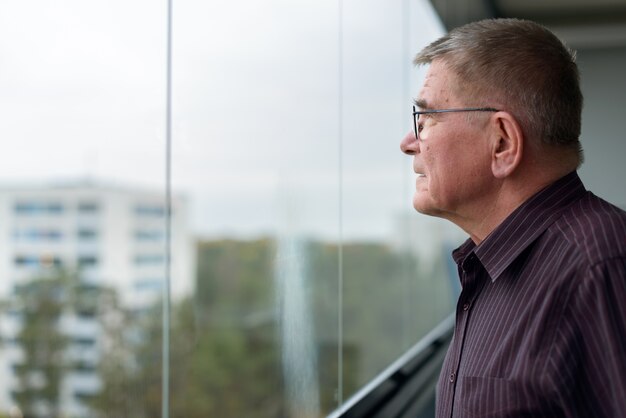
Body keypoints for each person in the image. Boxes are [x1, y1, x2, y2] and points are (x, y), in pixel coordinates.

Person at [400, 18, 626, 417]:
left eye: (428, 117)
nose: (408, 143)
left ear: (502, 142)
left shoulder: (600, 264)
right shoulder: (488, 266)